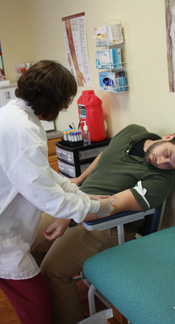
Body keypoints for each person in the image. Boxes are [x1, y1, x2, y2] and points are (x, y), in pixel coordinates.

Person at [31, 123, 175, 324]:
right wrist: (78, 180)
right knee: (29, 242)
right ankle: (47, 306)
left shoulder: (160, 181)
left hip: (109, 227)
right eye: (167, 153)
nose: (162, 162)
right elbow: (106, 155)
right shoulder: (132, 132)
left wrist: (70, 215)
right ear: (168, 137)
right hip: (77, 204)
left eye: (170, 165)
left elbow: (114, 205)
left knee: (53, 271)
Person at [0, 60, 114, 324]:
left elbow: (42, 174)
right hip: (4, 236)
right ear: (51, 99)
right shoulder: (24, 131)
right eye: (65, 100)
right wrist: (98, 207)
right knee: (36, 300)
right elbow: (46, 196)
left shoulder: (14, 114)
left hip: (9, 226)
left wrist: (74, 187)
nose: (66, 107)